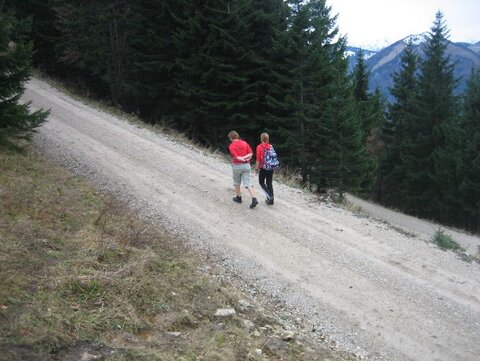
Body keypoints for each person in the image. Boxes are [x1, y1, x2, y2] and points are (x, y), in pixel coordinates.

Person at [228, 130, 258, 209]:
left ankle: (239, 198)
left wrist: (242, 159)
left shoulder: (231, 146)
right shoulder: (245, 143)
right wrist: (245, 159)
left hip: (237, 166)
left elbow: (236, 157)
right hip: (247, 166)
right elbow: (251, 153)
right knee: (248, 183)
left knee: (236, 182)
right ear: (237, 136)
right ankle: (254, 198)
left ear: (231, 138)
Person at [255, 132, 275, 205]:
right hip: (271, 167)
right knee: (269, 182)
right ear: (267, 139)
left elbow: (258, 159)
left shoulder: (259, 147)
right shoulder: (271, 146)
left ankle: (269, 196)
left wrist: (256, 167)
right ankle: (271, 200)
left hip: (263, 167)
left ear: (261, 138)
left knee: (261, 182)